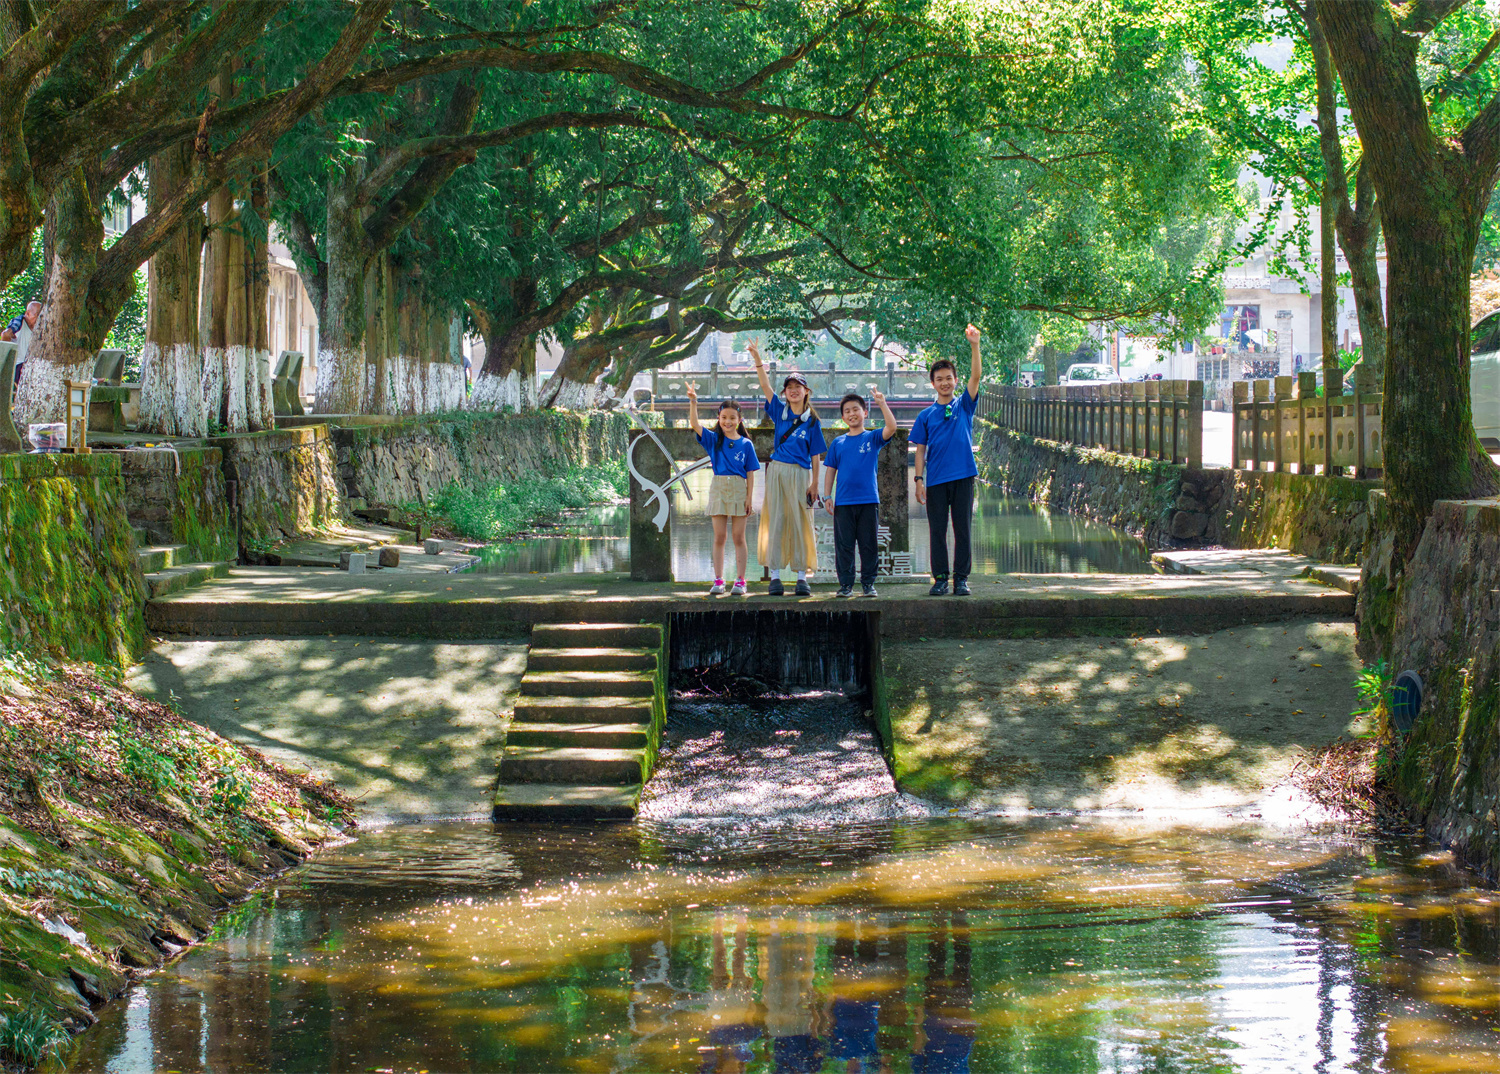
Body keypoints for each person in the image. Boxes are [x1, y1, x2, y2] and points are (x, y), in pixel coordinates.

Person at [910, 324, 982, 596]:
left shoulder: (964, 404)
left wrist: (974, 345)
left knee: (962, 530)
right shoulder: (925, 416)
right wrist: (918, 480)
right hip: (936, 480)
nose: (944, 382)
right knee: (937, 531)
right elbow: (919, 450)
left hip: (963, 476)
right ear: (933, 383)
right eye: (939, 379)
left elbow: (976, 377)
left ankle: (961, 579)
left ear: (954, 380)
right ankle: (940, 578)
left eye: (948, 378)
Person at [750, 339, 822, 596]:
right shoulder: (779, 411)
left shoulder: (812, 421)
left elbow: (815, 453)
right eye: (789, 387)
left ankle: (802, 577)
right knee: (777, 519)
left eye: (798, 387)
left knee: (802, 521)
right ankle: (776, 576)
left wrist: (815, 482)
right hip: (778, 471)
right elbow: (764, 385)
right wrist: (758, 359)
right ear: (785, 393)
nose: (793, 391)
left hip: (801, 474)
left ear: (806, 392)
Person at [687, 381, 759, 596]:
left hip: (738, 488)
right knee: (719, 537)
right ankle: (719, 580)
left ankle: (741, 580)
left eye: (732, 418)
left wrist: (749, 498)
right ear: (719, 418)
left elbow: (750, 473)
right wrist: (693, 402)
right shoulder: (713, 439)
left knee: (739, 537)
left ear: (739, 420)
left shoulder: (746, 444)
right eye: (724, 417)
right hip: (718, 487)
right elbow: (694, 423)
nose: (728, 421)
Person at [823, 388, 896, 597]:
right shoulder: (838, 443)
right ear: (843, 417)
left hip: (868, 500)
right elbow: (830, 471)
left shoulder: (872, 438)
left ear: (865, 413)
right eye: (847, 411)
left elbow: (891, 427)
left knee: (868, 544)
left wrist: (882, 403)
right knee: (844, 546)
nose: (852, 413)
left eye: (856, 409)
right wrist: (827, 496)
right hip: (843, 503)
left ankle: (868, 584)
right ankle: (846, 585)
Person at [2, 300, 40, 385]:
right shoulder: (19, 322)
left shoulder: (41, 328)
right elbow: (5, 334)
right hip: (19, 366)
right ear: (28, 314)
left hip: (34, 365)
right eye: (37, 315)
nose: (40, 319)